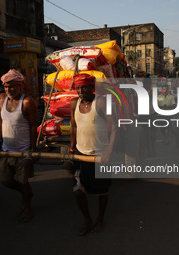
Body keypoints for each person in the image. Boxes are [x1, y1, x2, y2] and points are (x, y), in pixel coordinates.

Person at [69, 73, 117, 236]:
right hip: (80, 156)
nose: (81, 91)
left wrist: (109, 152)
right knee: (77, 191)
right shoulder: (74, 103)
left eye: (84, 87)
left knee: (101, 192)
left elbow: (115, 128)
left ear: (92, 87)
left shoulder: (102, 103)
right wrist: (71, 149)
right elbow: (74, 127)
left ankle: (100, 219)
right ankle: (87, 219)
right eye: (78, 88)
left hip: (100, 156)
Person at [0, 69, 37, 223]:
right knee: (5, 181)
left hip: (23, 151)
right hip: (5, 150)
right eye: (6, 87)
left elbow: (32, 127)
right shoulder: (1, 100)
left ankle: (27, 206)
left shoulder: (28, 102)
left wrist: (32, 151)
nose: (9, 90)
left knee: (23, 182)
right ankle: (27, 194)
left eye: (12, 86)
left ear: (20, 86)